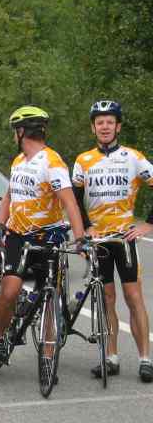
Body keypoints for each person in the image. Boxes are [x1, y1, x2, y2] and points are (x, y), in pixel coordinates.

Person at [0, 106, 86, 365]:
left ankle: (48, 355)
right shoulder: (18, 161)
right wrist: (0, 223)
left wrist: (79, 239)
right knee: (9, 291)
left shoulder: (52, 162)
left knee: (50, 294)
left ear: (21, 132)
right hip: (18, 236)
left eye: (14, 132)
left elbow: (70, 204)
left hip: (47, 237)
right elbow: (8, 195)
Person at [72, 100, 153, 383]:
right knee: (106, 298)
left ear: (118, 126)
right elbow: (74, 199)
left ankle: (145, 359)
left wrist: (148, 224)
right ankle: (112, 357)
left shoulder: (134, 157)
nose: (104, 126)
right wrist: (84, 229)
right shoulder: (83, 160)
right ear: (93, 127)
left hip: (124, 238)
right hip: (99, 241)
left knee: (133, 298)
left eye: (110, 121)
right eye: (99, 122)